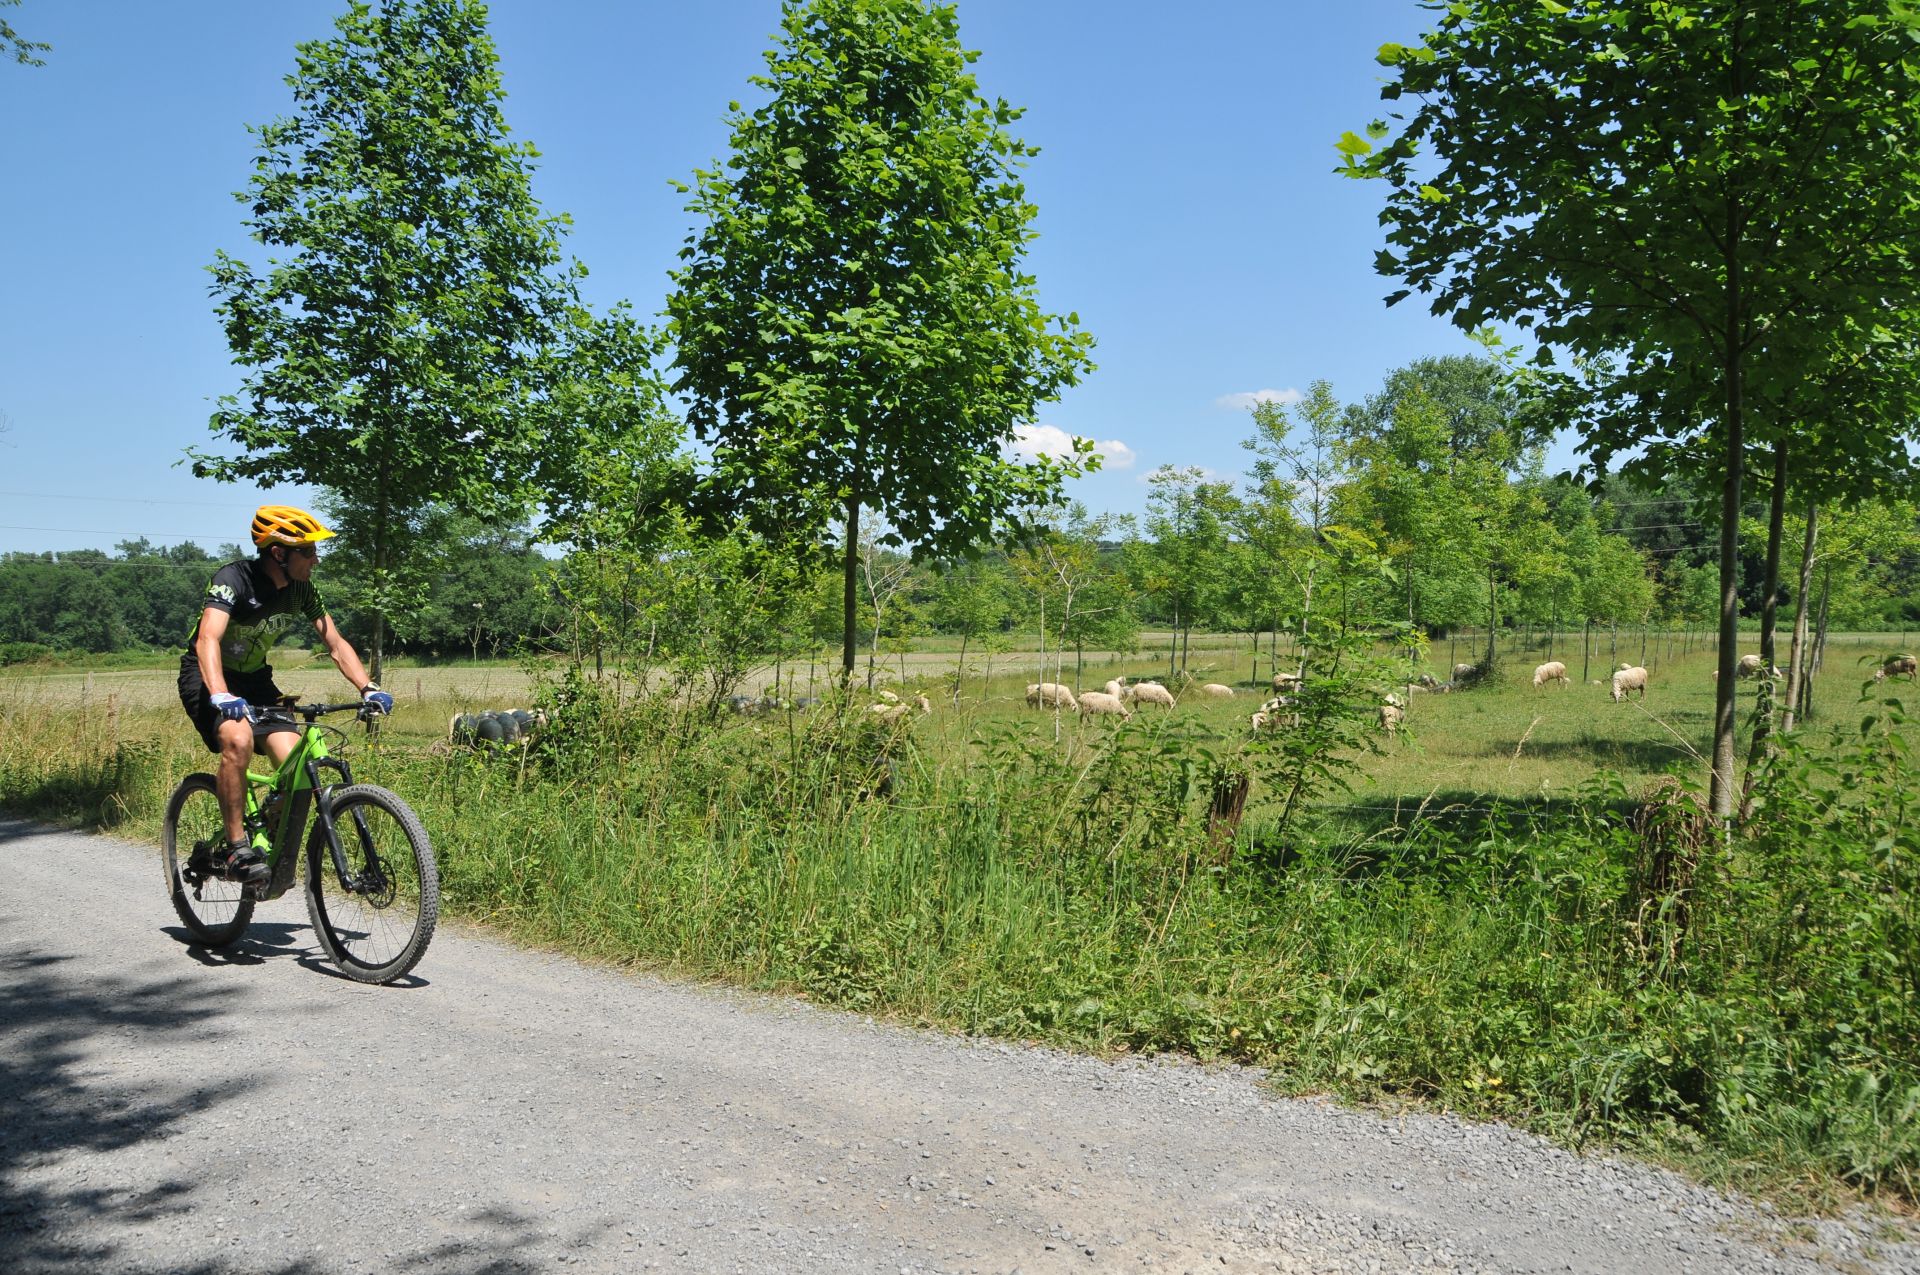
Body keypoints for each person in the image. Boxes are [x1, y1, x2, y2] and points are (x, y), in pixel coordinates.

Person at [178, 505, 393, 885]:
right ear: (279, 553)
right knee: (238, 739)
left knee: (294, 760)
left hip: (257, 682)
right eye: (308, 551)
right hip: (209, 678)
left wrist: (367, 686)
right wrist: (222, 695)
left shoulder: (301, 590)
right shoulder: (234, 579)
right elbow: (208, 638)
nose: (316, 559)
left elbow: (335, 642)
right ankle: (236, 847)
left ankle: (270, 838)